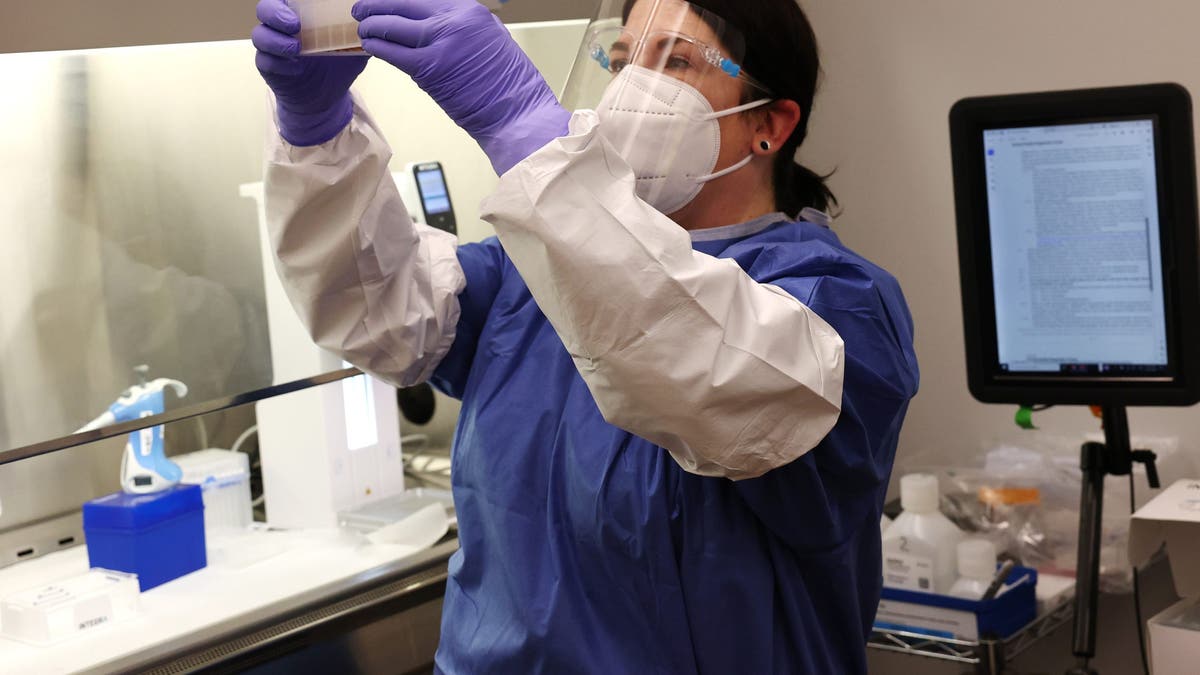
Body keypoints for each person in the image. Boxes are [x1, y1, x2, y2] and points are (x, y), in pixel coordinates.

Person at [253, 0, 920, 672]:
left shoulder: (839, 304)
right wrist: (317, 132)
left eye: (676, 61)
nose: (630, 88)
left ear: (768, 124)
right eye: (622, 59)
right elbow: (378, 310)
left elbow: (705, 365)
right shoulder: (535, 271)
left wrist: (520, 124)